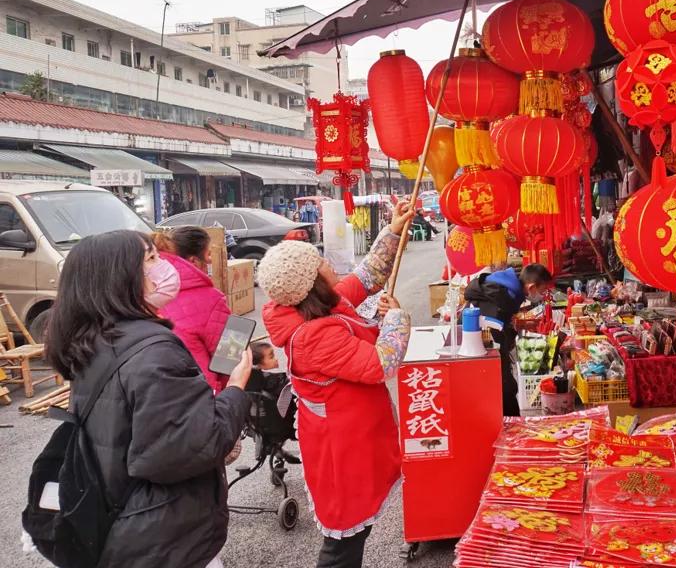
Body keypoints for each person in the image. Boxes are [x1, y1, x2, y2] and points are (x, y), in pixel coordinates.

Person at [43, 230, 251, 568]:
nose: (165, 266)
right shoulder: (155, 350)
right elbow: (192, 446)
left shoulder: (92, 339)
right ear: (120, 277)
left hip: (115, 512)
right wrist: (236, 388)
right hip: (161, 534)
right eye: (151, 259)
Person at [261, 200, 415, 568]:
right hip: (342, 450)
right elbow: (381, 363)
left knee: (353, 535)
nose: (330, 264)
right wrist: (395, 318)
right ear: (313, 282)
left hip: (350, 438)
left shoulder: (316, 305)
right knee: (344, 541)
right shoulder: (313, 335)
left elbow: (366, 276)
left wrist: (393, 230)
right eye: (322, 263)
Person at [464, 263, 554, 416]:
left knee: (505, 385)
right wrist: (510, 336)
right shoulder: (503, 296)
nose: (543, 295)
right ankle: (509, 423)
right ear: (531, 287)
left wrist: (513, 327)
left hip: (484, 340)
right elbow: (496, 335)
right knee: (505, 386)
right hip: (479, 346)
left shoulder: (507, 287)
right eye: (542, 290)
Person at [153, 226, 230, 392]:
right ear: (194, 261)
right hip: (204, 393)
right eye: (208, 254)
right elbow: (228, 361)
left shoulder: (145, 293)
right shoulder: (211, 298)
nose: (210, 261)